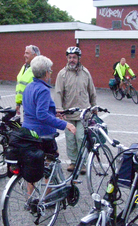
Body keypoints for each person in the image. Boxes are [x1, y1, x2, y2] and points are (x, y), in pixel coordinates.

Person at [54, 46, 97, 174]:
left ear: (79, 58)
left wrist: (94, 107)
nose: (72, 60)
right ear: (67, 58)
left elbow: (92, 91)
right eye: (70, 57)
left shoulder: (85, 73)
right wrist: (59, 110)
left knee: (80, 137)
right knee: (70, 139)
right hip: (68, 114)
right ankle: (73, 162)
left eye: (74, 57)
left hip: (83, 114)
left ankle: (82, 163)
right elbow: (58, 93)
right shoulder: (62, 74)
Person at [15, 45, 40, 115]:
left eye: (27, 53)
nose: (24, 55)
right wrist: (18, 103)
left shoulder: (39, 68)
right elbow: (20, 87)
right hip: (25, 105)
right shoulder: (24, 67)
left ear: (34, 55)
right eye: (25, 53)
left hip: (34, 107)